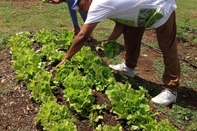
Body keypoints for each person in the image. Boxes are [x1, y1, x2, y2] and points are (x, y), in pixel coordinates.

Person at [56, 0, 180, 106]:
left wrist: (66, 59)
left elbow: (83, 35)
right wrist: (110, 41)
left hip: (160, 6)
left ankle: (171, 90)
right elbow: (121, 20)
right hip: (138, 12)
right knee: (131, 36)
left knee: (168, 48)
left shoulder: (99, 4)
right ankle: (129, 67)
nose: (83, 11)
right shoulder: (102, 4)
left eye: (81, 7)